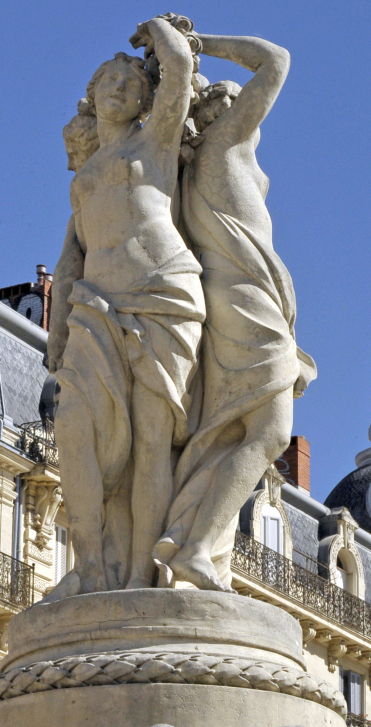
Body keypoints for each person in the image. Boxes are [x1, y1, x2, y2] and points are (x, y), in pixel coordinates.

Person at [152, 33, 316, 592]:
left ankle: (189, 538)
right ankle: (197, 546)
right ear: (216, 114)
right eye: (228, 100)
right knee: (271, 432)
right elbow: (276, 60)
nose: (244, 108)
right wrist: (201, 43)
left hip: (241, 296)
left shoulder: (217, 163)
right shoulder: (224, 146)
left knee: (226, 433)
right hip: (245, 299)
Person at [47, 17, 204, 595]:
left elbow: (181, 73)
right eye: (107, 80)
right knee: (72, 427)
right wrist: (56, 342)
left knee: (149, 442)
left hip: (164, 292)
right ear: (91, 96)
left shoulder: (155, 142)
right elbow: (69, 260)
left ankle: (140, 575)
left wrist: (161, 33)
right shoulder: (82, 177)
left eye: (129, 82)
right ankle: (90, 566)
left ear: (145, 100)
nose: (118, 87)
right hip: (95, 305)